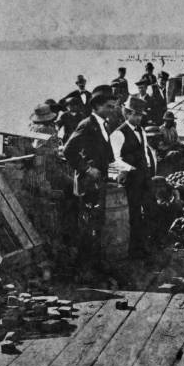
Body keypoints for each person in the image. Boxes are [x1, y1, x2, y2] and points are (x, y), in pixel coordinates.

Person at [63, 90, 117, 273]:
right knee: (87, 225)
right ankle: (84, 268)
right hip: (88, 182)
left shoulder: (104, 125)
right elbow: (68, 150)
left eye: (114, 106)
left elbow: (105, 153)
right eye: (108, 107)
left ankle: (95, 264)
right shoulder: (86, 125)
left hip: (98, 181)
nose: (112, 110)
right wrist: (87, 168)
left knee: (97, 223)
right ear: (96, 107)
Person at [110, 95, 154, 258]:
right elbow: (114, 159)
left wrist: (148, 168)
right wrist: (128, 170)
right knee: (134, 213)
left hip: (145, 177)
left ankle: (145, 244)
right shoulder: (118, 134)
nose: (139, 118)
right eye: (135, 114)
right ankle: (134, 249)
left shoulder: (141, 131)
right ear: (127, 114)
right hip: (132, 180)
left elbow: (145, 153)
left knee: (149, 209)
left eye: (141, 115)